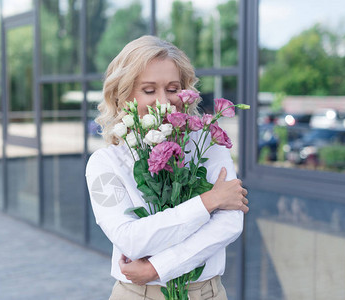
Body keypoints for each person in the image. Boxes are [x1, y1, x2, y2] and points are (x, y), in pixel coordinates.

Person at [85, 35, 249, 300]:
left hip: (207, 294)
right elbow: (131, 240)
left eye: (172, 89)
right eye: (149, 90)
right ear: (123, 95)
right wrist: (210, 201)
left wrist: (156, 267)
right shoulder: (106, 163)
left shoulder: (208, 143)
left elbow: (229, 223)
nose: (163, 101)